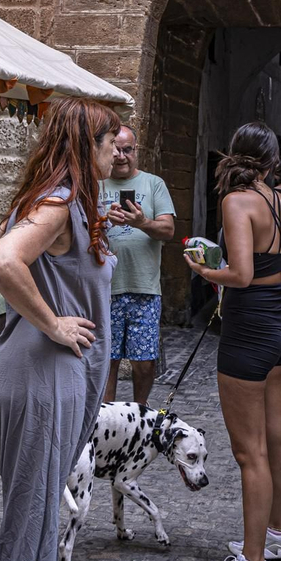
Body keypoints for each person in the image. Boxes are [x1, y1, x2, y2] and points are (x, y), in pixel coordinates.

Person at [0, 97, 118, 561]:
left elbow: (1, 235)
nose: (118, 149)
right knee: (33, 508)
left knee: (41, 502)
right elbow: (1, 257)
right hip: (41, 376)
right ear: (81, 147)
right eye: (109, 140)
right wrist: (54, 322)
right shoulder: (59, 202)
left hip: (51, 379)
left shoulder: (61, 201)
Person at [186, 121, 281, 561]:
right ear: (272, 161)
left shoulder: (237, 202)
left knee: (248, 452)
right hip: (279, 329)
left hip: (248, 331)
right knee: (276, 435)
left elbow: (237, 273)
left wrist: (201, 268)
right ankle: (276, 534)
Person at [98, 125, 176, 406]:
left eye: (127, 149)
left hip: (144, 288)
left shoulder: (153, 184)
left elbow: (168, 231)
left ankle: (139, 414)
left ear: (136, 151)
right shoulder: (96, 184)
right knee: (108, 361)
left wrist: (141, 222)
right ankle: (107, 421)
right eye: (115, 148)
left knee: (143, 362)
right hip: (105, 289)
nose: (121, 156)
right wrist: (104, 221)